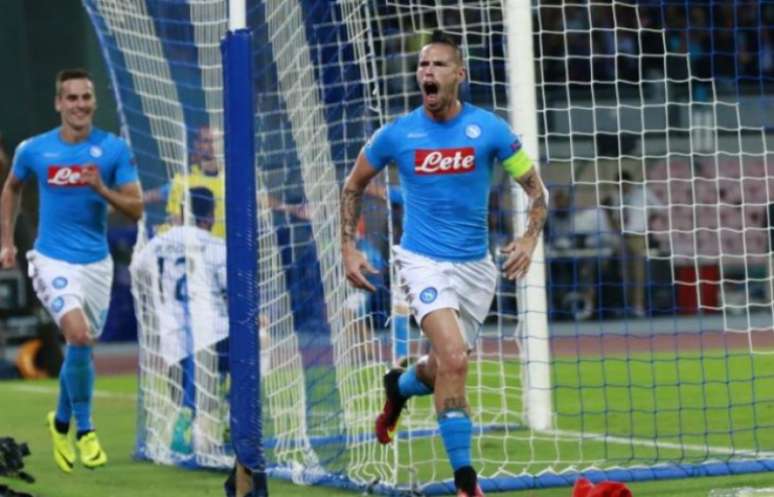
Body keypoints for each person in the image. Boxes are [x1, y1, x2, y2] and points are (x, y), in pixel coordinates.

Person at [340, 31, 548, 497]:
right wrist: (347, 249)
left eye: (437, 65)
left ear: (460, 74)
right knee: (455, 358)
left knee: (443, 366)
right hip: (422, 262)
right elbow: (353, 185)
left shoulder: (490, 130)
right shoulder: (396, 134)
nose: (426, 73)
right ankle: (466, 483)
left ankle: (400, 386)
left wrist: (529, 239)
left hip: (476, 268)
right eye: (422, 66)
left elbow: (536, 191)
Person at [0, 68, 144, 472]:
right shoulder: (35, 149)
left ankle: (59, 421)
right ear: (58, 103)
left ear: (94, 102)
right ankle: (85, 429)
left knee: (81, 347)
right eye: (72, 98)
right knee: (77, 334)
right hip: (51, 259)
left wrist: (101, 190)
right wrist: (6, 241)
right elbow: (11, 186)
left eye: (86, 97)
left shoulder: (113, 149)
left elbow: (136, 210)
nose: (80, 105)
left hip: (95, 263)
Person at [131, 187, 232, 456]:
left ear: (182, 211)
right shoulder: (215, 245)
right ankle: (233, 417)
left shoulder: (159, 242)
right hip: (213, 336)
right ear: (211, 214)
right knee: (257, 347)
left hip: (172, 338)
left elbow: (137, 270)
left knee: (188, 386)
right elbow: (233, 290)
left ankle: (188, 413)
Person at [546, 188, 618, 320]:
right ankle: (561, 306)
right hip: (562, 259)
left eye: (562, 200)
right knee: (555, 271)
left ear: (568, 201)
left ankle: (588, 306)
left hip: (588, 259)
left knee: (586, 270)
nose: (559, 204)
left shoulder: (582, 217)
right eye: (557, 201)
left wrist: (587, 242)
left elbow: (608, 240)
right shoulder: (551, 218)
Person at [613, 171, 662, 317]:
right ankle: (627, 305)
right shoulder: (618, 197)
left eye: (622, 185)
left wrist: (648, 219)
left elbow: (660, 208)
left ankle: (638, 305)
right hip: (623, 237)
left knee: (638, 273)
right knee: (624, 273)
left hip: (639, 236)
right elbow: (615, 217)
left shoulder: (642, 193)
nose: (621, 188)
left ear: (628, 182)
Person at [164, 126, 226, 237]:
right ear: (197, 144)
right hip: (196, 250)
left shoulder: (232, 180)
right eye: (207, 141)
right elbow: (176, 223)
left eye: (216, 141)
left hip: (225, 249)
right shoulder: (182, 181)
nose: (212, 145)